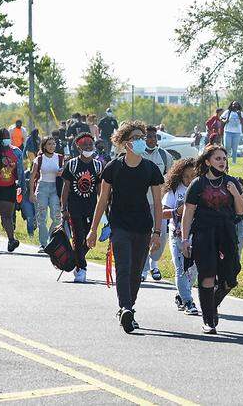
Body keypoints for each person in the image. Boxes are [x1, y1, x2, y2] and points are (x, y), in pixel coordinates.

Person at [86, 121, 165, 333]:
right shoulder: (113, 167)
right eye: (135, 138)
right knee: (123, 267)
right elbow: (102, 201)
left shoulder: (151, 169)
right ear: (124, 143)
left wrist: (157, 232)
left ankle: (129, 307)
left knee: (136, 271)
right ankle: (126, 308)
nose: (141, 141)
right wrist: (93, 229)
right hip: (119, 225)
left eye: (142, 137)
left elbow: (158, 203)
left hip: (143, 226)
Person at [180, 145, 243, 335]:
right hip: (204, 234)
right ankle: (209, 320)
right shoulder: (198, 184)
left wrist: (235, 192)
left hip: (226, 234)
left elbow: (241, 210)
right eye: (218, 158)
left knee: (231, 277)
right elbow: (188, 212)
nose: (222, 162)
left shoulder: (232, 182)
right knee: (207, 274)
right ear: (208, 161)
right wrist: (185, 240)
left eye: (224, 158)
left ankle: (212, 302)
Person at [59, 133, 103, 283]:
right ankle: (81, 268)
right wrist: (63, 209)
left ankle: (74, 258)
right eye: (85, 145)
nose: (88, 147)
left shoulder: (98, 165)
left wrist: (103, 208)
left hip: (91, 208)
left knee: (88, 239)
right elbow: (65, 189)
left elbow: (100, 190)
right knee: (78, 237)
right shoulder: (71, 164)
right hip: (74, 207)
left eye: (90, 145)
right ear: (78, 147)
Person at [162, 157, 200, 314]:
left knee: (194, 269)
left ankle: (182, 294)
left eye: (193, 176)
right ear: (179, 175)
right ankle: (188, 301)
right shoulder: (174, 191)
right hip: (177, 235)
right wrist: (176, 212)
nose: (190, 179)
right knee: (180, 269)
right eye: (186, 176)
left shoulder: (200, 189)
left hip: (196, 234)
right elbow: (162, 213)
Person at [141, 126, 174, 282]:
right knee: (143, 235)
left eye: (154, 137)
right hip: (140, 202)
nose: (152, 139)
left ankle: (154, 264)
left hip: (158, 203)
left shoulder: (164, 155)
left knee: (160, 235)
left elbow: (171, 176)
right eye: (148, 136)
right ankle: (144, 268)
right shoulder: (137, 153)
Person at [28, 136, 64, 250]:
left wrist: (62, 173)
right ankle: (43, 244)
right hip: (42, 188)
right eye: (49, 144)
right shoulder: (39, 159)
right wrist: (31, 193)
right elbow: (32, 176)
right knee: (41, 218)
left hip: (55, 189)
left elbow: (65, 174)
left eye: (54, 144)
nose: (52, 146)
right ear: (44, 146)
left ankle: (50, 240)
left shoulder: (60, 158)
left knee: (57, 217)